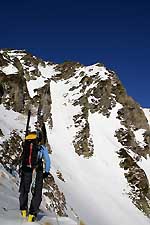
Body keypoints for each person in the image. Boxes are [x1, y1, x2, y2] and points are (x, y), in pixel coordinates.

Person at [19, 130, 51, 222]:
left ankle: (23, 210)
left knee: (24, 189)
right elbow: (47, 160)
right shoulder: (41, 147)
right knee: (37, 192)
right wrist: (46, 172)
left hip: (26, 169)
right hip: (38, 171)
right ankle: (32, 214)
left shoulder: (27, 144)